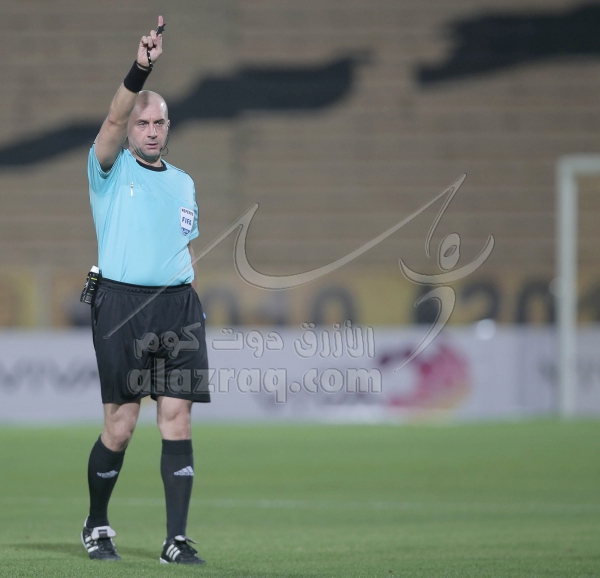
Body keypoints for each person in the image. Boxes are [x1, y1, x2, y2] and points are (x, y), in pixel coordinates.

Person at [81, 15, 209, 565]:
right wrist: (140, 69)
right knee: (121, 425)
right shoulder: (109, 169)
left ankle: (175, 540)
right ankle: (96, 524)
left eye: (158, 122)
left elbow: (184, 245)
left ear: (168, 126)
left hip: (178, 308)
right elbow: (113, 115)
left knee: (177, 418)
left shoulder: (183, 183)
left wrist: (190, 294)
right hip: (121, 306)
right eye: (142, 122)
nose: (151, 130)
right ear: (130, 128)